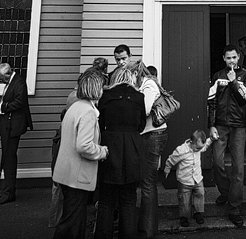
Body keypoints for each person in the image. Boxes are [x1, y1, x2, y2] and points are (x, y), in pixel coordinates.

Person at [52, 69, 108, 239]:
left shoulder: (75, 106)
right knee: (72, 226)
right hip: (76, 176)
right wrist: (103, 151)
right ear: (95, 89)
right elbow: (84, 146)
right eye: (101, 87)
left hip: (65, 173)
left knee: (70, 221)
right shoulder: (88, 112)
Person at [94, 64, 146, 239]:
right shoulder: (139, 97)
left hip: (110, 145)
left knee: (106, 199)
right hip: (132, 146)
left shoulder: (105, 96)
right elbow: (141, 125)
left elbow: (99, 123)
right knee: (129, 199)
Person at [207, 43, 246, 227]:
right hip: (221, 126)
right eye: (228, 58)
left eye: (234, 57)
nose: (231, 60)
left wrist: (234, 82)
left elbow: (245, 100)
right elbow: (211, 102)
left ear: (238, 57)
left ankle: (234, 207)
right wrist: (211, 125)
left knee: (238, 168)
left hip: (239, 126)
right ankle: (225, 192)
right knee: (217, 162)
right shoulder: (217, 76)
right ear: (224, 59)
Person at [0, 62, 33, 205]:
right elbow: (13, 98)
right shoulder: (13, 81)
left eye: (2, 79)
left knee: (9, 157)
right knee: (7, 157)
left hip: (13, 126)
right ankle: (7, 190)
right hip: (8, 125)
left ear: (8, 74)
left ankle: (9, 192)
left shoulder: (18, 82)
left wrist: (1, 106)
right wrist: (2, 101)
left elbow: (20, 102)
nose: (1, 81)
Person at [133, 60, 168, 239]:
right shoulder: (145, 85)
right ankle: (147, 227)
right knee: (147, 181)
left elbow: (145, 110)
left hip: (152, 134)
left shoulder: (149, 85)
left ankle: (147, 231)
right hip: (150, 134)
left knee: (147, 182)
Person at [163, 128, 216, 227]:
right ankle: (184, 217)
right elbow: (171, 159)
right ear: (191, 142)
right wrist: (167, 168)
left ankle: (198, 213)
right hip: (184, 180)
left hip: (197, 178)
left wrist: (212, 139)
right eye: (197, 148)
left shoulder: (199, 147)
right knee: (184, 199)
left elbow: (206, 145)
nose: (199, 150)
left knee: (200, 194)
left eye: (201, 148)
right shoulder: (181, 150)